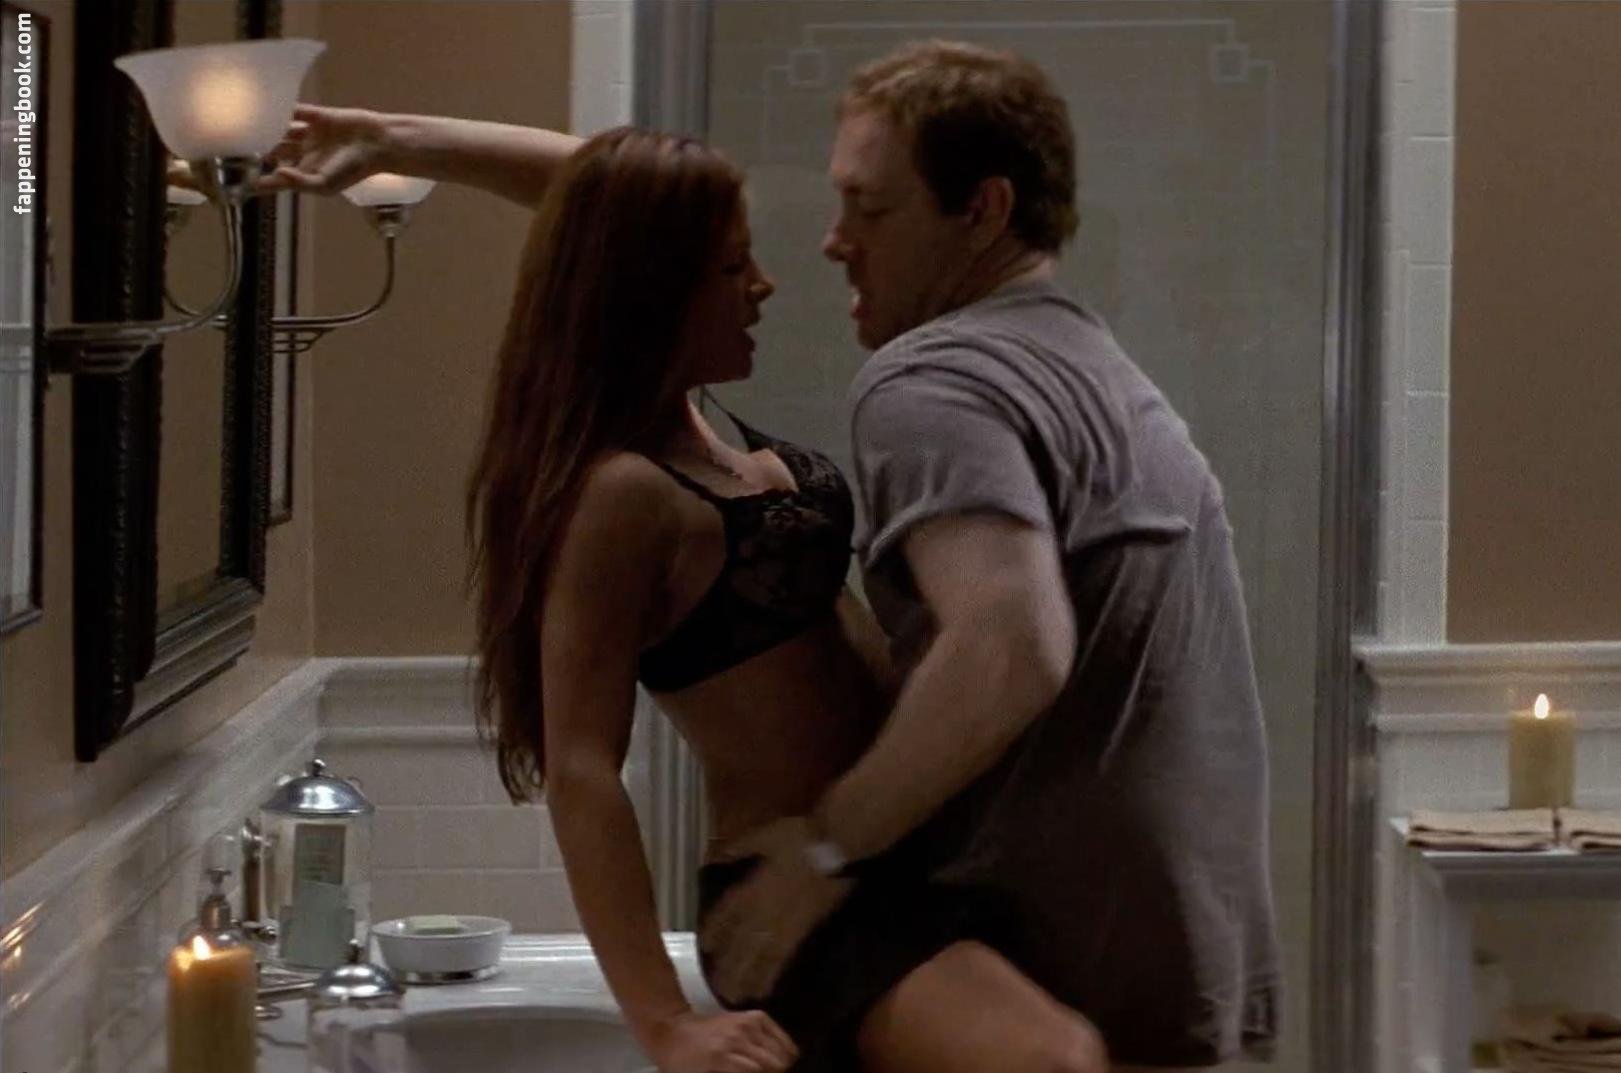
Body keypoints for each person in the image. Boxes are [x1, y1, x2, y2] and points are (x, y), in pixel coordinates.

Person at [262, 121, 1106, 1073]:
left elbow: (606, 195)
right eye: (732, 267)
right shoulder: (622, 496)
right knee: (1056, 1059)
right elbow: (582, 770)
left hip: (902, 858)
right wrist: (665, 1021)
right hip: (796, 902)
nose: (765, 285)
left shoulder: (711, 432)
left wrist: (400, 140)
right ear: (651, 294)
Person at [700, 42, 1280, 1071]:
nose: (834, 241)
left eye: (871, 207)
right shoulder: (1104, 376)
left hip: (1042, 972)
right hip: (1183, 957)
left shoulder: (929, 381)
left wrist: (825, 848)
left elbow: (1011, 643)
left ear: (983, 209)